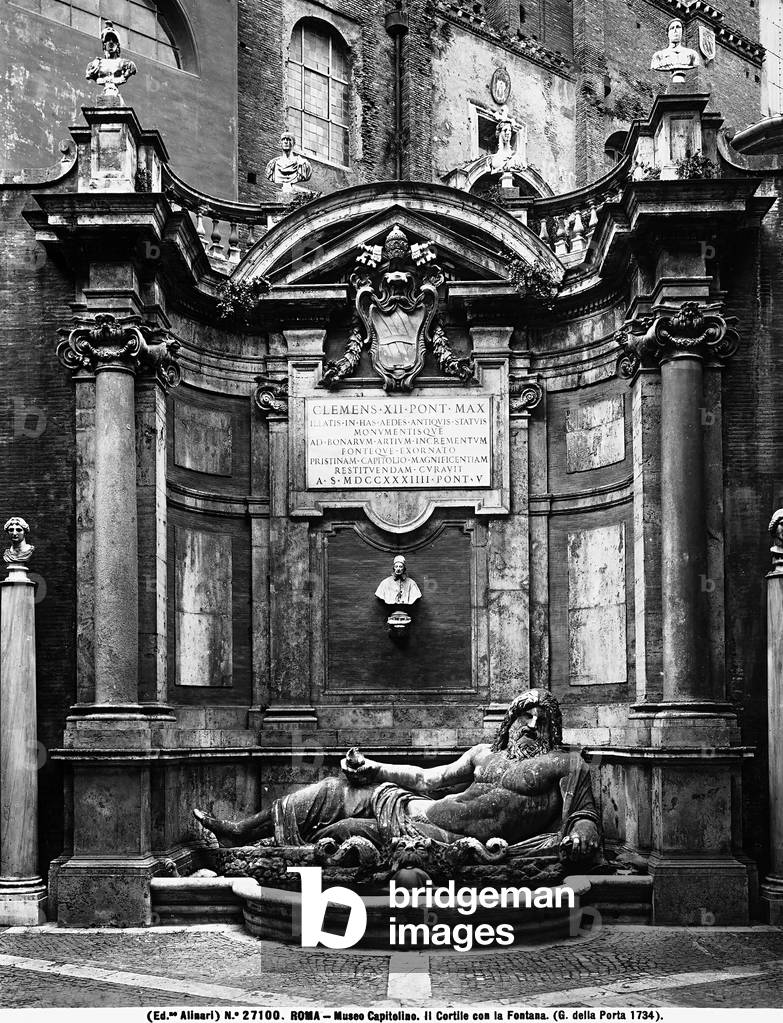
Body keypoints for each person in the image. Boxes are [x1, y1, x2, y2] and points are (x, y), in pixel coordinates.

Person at [193, 689, 601, 861]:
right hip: (416, 807)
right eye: (523, 716)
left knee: (344, 830)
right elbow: (429, 779)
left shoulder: (565, 763)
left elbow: (583, 813)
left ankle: (275, 851)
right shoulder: (483, 754)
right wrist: (375, 768)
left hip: (446, 838)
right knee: (335, 788)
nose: (530, 725)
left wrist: (584, 831)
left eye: (540, 718)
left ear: (553, 727)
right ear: (509, 721)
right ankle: (244, 831)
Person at [85, 22, 137, 100]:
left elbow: (133, 69)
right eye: (108, 40)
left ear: (117, 45)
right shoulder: (96, 65)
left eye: (114, 40)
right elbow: (89, 75)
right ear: (104, 45)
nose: (111, 42)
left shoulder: (124, 64)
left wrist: (125, 75)